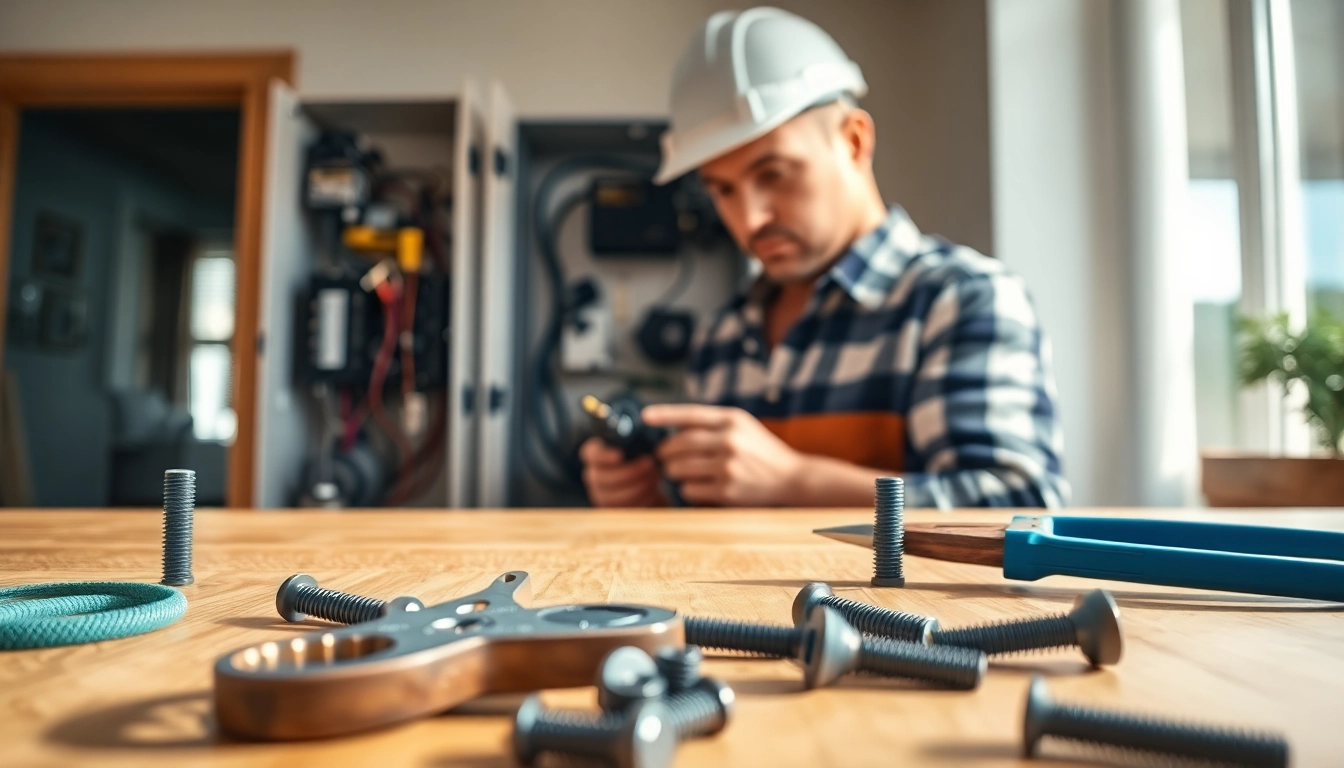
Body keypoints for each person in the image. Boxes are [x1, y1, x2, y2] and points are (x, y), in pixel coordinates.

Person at [580, 7, 1068, 509]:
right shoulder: (719, 339)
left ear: (854, 142)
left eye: (774, 173)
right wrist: (649, 505)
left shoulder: (962, 301)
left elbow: (1019, 508)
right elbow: (714, 540)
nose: (749, 220)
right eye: (723, 190)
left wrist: (796, 485)